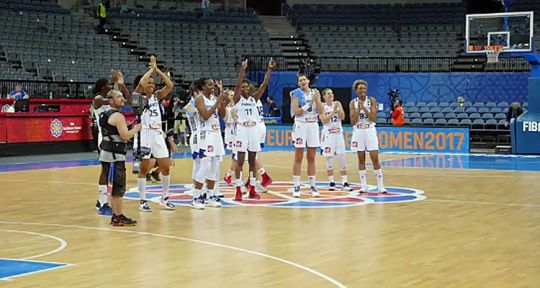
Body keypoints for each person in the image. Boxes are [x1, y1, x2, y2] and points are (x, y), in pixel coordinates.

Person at [231, 59, 274, 201]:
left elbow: (264, 85)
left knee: (252, 160)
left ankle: (253, 189)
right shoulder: (238, 99)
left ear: (250, 89)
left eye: (247, 87)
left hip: (254, 130)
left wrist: (269, 69)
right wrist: (242, 70)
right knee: (240, 161)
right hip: (242, 130)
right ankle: (238, 190)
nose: (244, 89)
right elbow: (237, 86)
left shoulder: (254, 99)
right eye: (243, 87)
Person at [137, 55, 175, 212]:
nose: (151, 85)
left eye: (153, 83)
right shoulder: (138, 97)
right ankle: (142, 200)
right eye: (149, 83)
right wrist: (150, 70)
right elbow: (140, 83)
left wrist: (157, 70)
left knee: (166, 166)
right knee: (144, 168)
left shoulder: (157, 97)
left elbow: (170, 84)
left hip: (158, 133)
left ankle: (165, 198)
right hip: (145, 134)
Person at [99, 89, 141, 226]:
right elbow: (125, 136)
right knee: (118, 187)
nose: (122, 99)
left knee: (112, 186)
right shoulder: (118, 116)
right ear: (111, 100)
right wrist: (136, 128)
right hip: (115, 156)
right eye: (119, 97)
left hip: (105, 154)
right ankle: (118, 216)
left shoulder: (105, 113)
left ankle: (115, 215)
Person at [192, 77, 228, 209]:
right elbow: (205, 116)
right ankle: (196, 197)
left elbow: (222, 115)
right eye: (209, 85)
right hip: (205, 134)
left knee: (215, 166)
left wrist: (222, 103)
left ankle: (210, 195)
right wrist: (217, 102)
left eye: (213, 85)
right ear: (202, 86)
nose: (212, 87)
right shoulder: (200, 99)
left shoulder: (214, 98)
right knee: (205, 165)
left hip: (217, 133)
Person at [349, 80, 387, 194]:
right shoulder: (353, 103)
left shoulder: (371, 100)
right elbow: (353, 121)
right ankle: (363, 186)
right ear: (356, 90)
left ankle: (381, 186)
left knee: (375, 158)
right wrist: (358, 110)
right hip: (359, 130)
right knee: (361, 159)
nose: (362, 91)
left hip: (370, 129)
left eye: (364, 88)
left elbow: (373, 118)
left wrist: (364, 108)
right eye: (360, 89)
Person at [290, 74, 324, 197]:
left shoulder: (315, 92)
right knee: (298, 156)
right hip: (300, 125)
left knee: (311, 157)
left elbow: (320, 111)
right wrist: (309, 104)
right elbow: (297, 111)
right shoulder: (295, 93)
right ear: (298, 83)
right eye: (300, 80)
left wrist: (317, 99)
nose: (302, 81)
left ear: (308, 81)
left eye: (304, 79)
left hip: (313, 125)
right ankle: (296, 186)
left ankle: (313, 186)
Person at [319, 89, 352, 192]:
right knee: (329, 159)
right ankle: (331, 182)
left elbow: (343, 117)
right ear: (324, 96)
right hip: (328, 134)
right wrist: (333, 111)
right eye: (328, 93)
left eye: (332, 93)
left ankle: (344, 182)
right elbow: (324, 120)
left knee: (342, 157)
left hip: (338, 134)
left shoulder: (337, 103)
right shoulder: (322, 106)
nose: (331, 95)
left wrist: (339, 109)